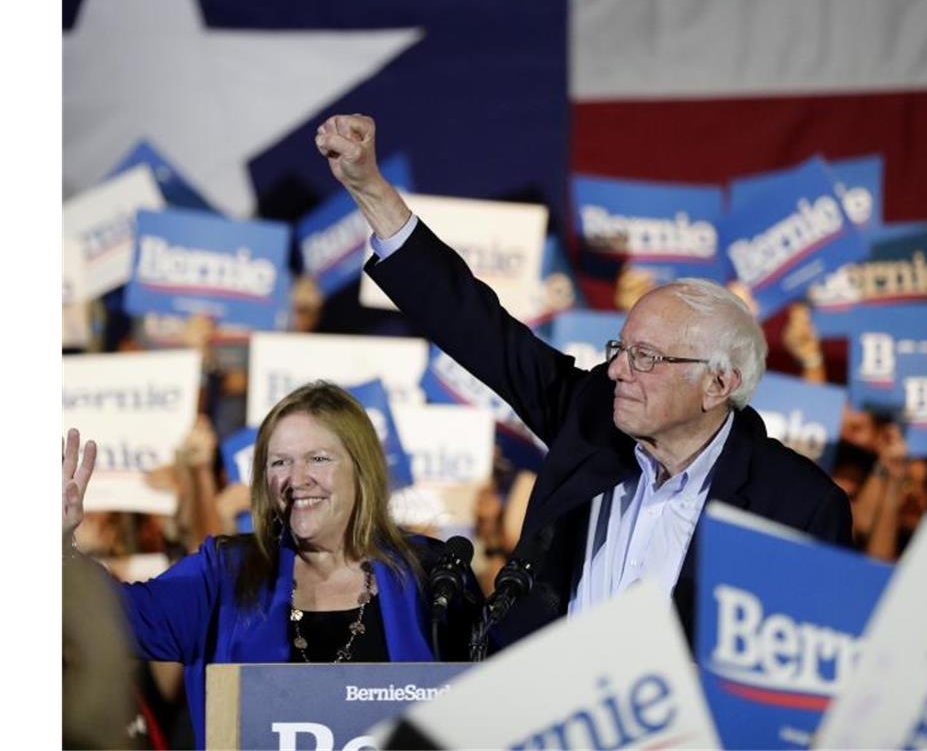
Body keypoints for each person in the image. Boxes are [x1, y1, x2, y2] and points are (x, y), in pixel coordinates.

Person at [315, 113, 852, 650]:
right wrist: (371, 190)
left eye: (646, 357)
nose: (617, 369)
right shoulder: (592, 421)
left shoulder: (796, 504)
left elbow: (795, 670)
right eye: (620, 349)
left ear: (718, 384)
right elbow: (477, 328)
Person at [62, 382, 477, 750]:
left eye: (318, 459)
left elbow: (494, 702)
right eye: (279, 462)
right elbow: (112, 618)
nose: (296, 478)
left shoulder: (430, 576)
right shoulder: (224, 575)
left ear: (362, 467)